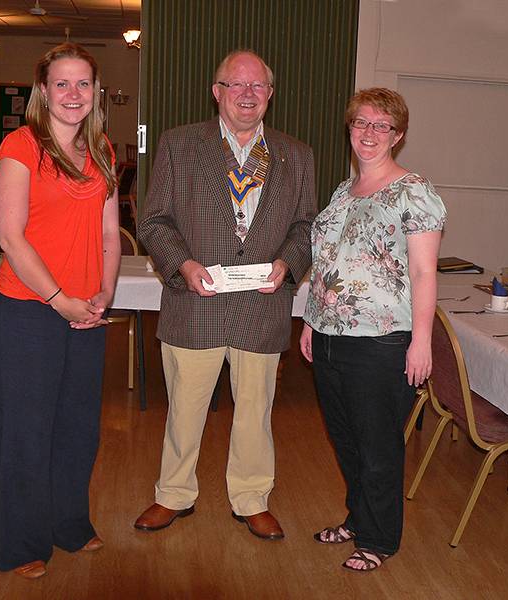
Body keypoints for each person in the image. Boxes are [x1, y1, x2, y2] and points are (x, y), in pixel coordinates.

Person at [135, 50, 316, 540]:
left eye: (257, 86)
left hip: (262, 305)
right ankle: (172, 494)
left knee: (255, 412)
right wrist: (184, 265)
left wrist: (288, 264)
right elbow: (154, 220)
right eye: (236, 85)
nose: (247, 94)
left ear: (270, 95)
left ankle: (252, 498)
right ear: (217, 92)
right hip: (195, 304)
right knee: (184, 409)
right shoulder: (179, 146)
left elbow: (305, 226)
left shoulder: (294, 154)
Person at [299, 88, 446, 571]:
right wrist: (309, 319)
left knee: (378, 443)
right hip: (328, 335)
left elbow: (425, 272)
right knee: (345, 438)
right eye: (361, 122)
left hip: (381, 342)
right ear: (350, 128)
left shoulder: (413, 191)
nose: (369, 133)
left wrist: (421, 342)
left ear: (397, 135)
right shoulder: (345, 190)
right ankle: (359, 518)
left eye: (381, 125)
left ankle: (380, 538)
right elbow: (327, 261)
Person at [0, 43, 120, 579]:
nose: (73, 94)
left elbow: (111, 234)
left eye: (83, 84)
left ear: (95, 91)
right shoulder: (20, 147)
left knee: (77, 428)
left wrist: (103, 294)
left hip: (87, 310)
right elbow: (12, 238)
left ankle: (69, 525)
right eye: (62, 84)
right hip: (29, 309)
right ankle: (20, 544)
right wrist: (59, 300)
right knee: (25, 429)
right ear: (42, 91)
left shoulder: (103, 150)